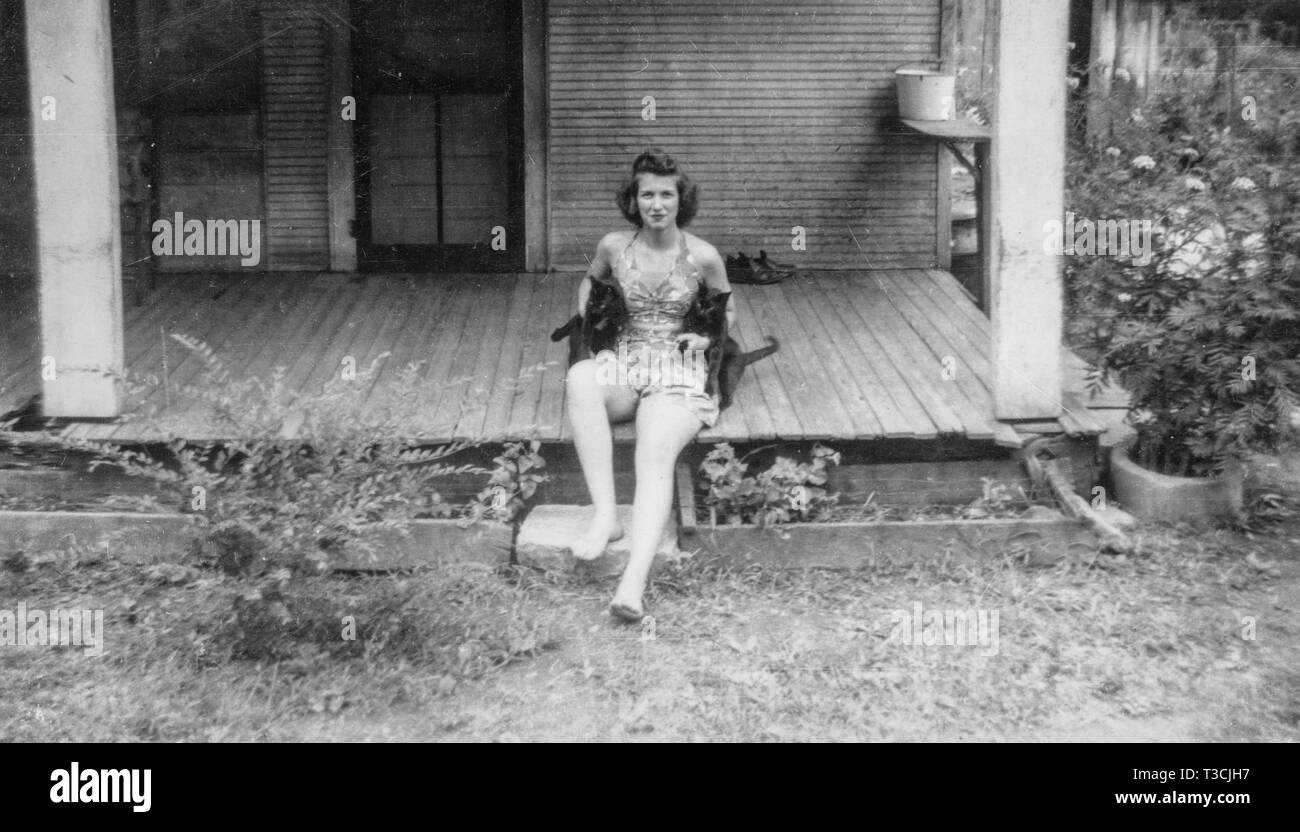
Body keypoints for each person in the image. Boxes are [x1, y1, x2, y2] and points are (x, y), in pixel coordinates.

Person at [566, 149, 735, 622]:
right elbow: (589, 283)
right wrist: (593, 324)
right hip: (625, 360)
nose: (656, 204)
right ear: (633, 200)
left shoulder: (703, 256)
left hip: (679, 370)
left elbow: (728, 313)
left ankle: (632, 583)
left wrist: (703, 337)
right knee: (581, 377)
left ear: (681, 200)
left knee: (654, 450)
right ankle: (606, 517)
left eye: (666, 194)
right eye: (647, 195)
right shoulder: (613, 247)